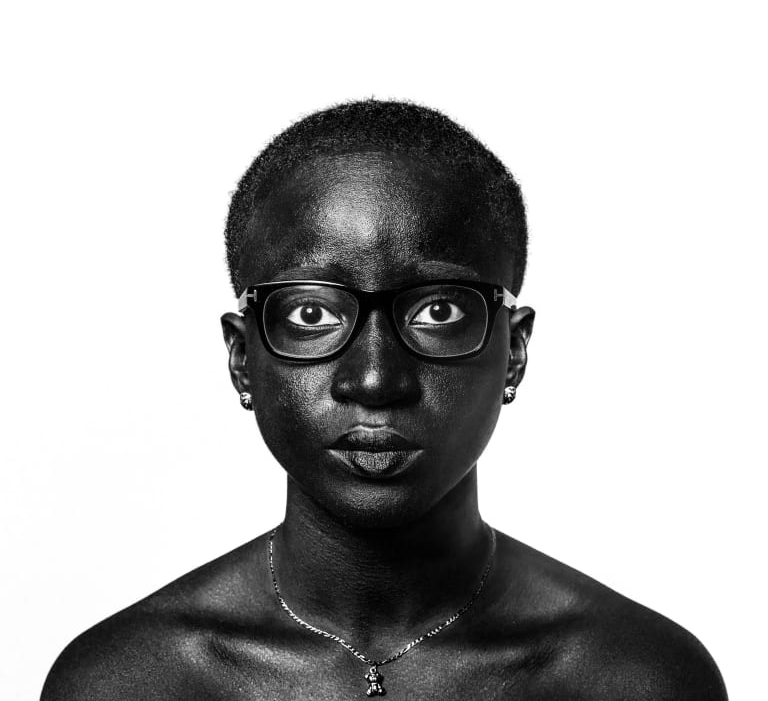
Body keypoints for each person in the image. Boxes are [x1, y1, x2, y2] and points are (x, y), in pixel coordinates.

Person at [41, 101, 728, 700]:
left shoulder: (638, 678)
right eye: (311, 315)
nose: (374, 380)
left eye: (436, 310)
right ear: (242, 357)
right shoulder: (129, 680)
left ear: (513, 350)